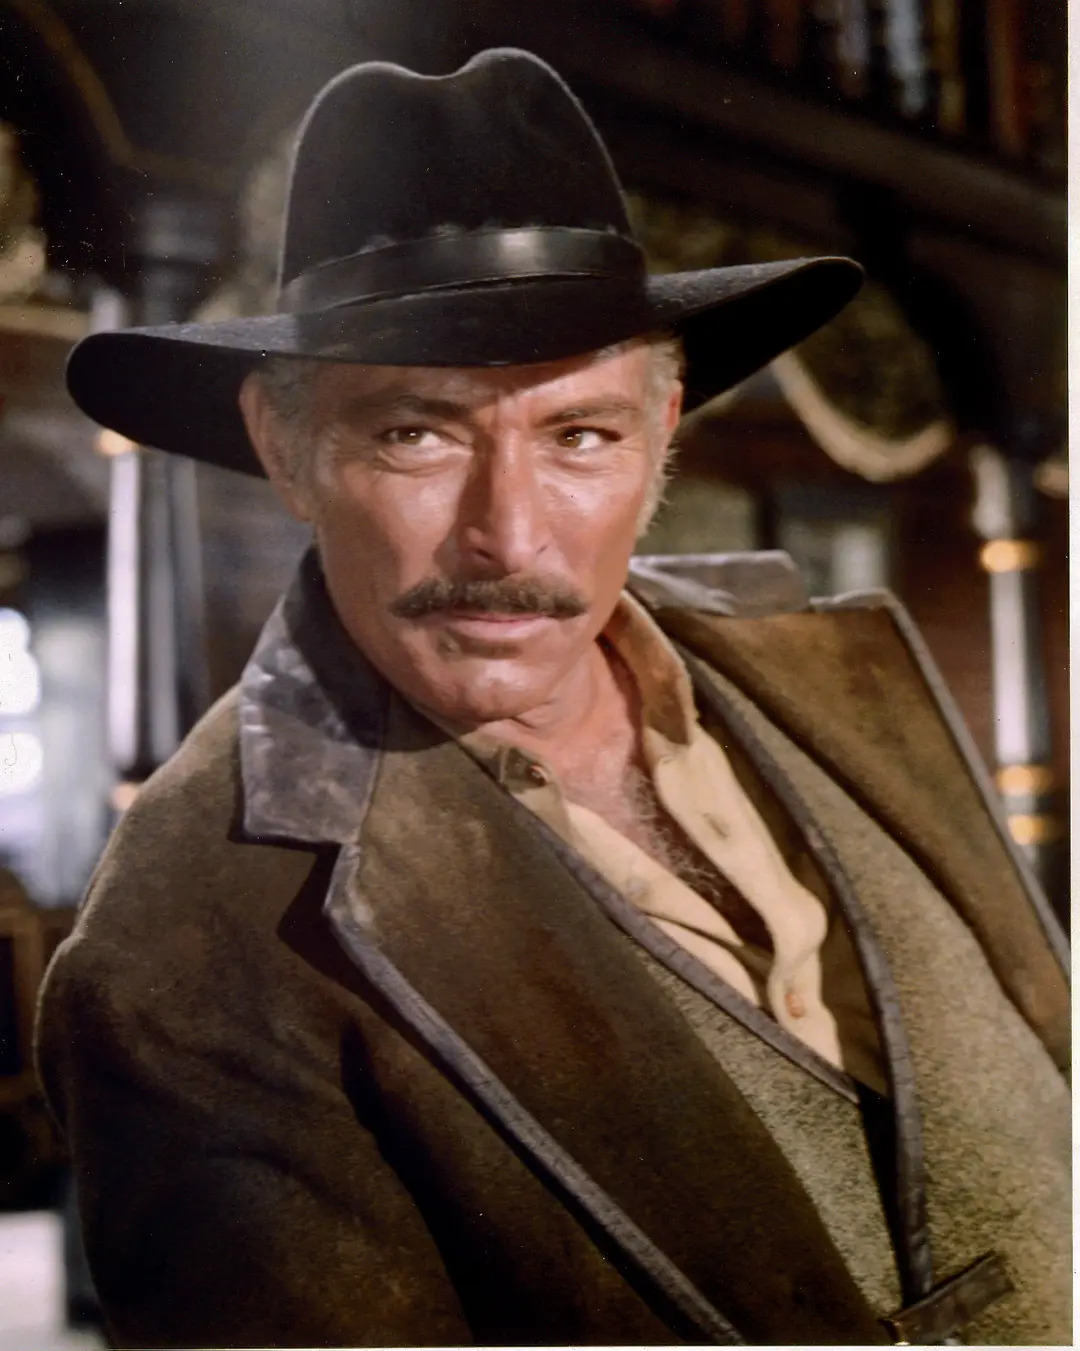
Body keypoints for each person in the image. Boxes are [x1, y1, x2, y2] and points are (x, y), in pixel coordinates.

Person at [37, 49, 1068, 1348]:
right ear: (283, 446)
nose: (508, 534)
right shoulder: (182, 957)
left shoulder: (838, 668)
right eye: (416, 432)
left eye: (579, 435)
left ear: (665, 428)